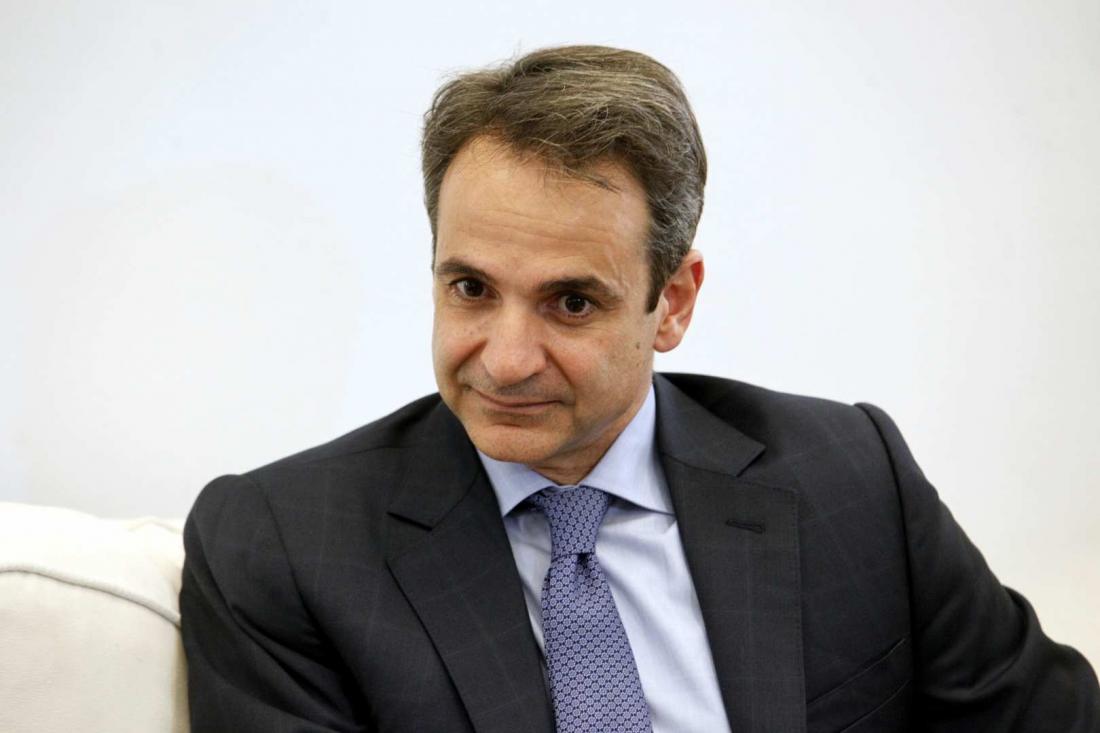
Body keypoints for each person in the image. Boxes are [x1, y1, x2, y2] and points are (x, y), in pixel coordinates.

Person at [180, 45, 1100, 732]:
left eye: (571, 302)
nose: (506, 359)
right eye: (471, 289)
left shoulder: (852, 477)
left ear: (673, 303)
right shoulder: (282, 547)